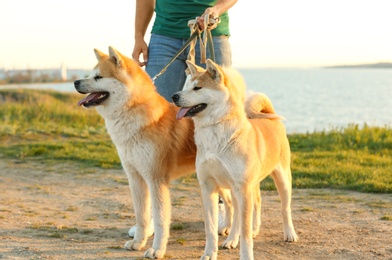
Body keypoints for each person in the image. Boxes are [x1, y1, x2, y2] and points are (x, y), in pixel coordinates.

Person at [132, 0, 238, 101]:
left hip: (211, 35)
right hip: (164, 37)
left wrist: (217, 9)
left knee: (223, 108)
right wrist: (138, 37)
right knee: (157, 107)